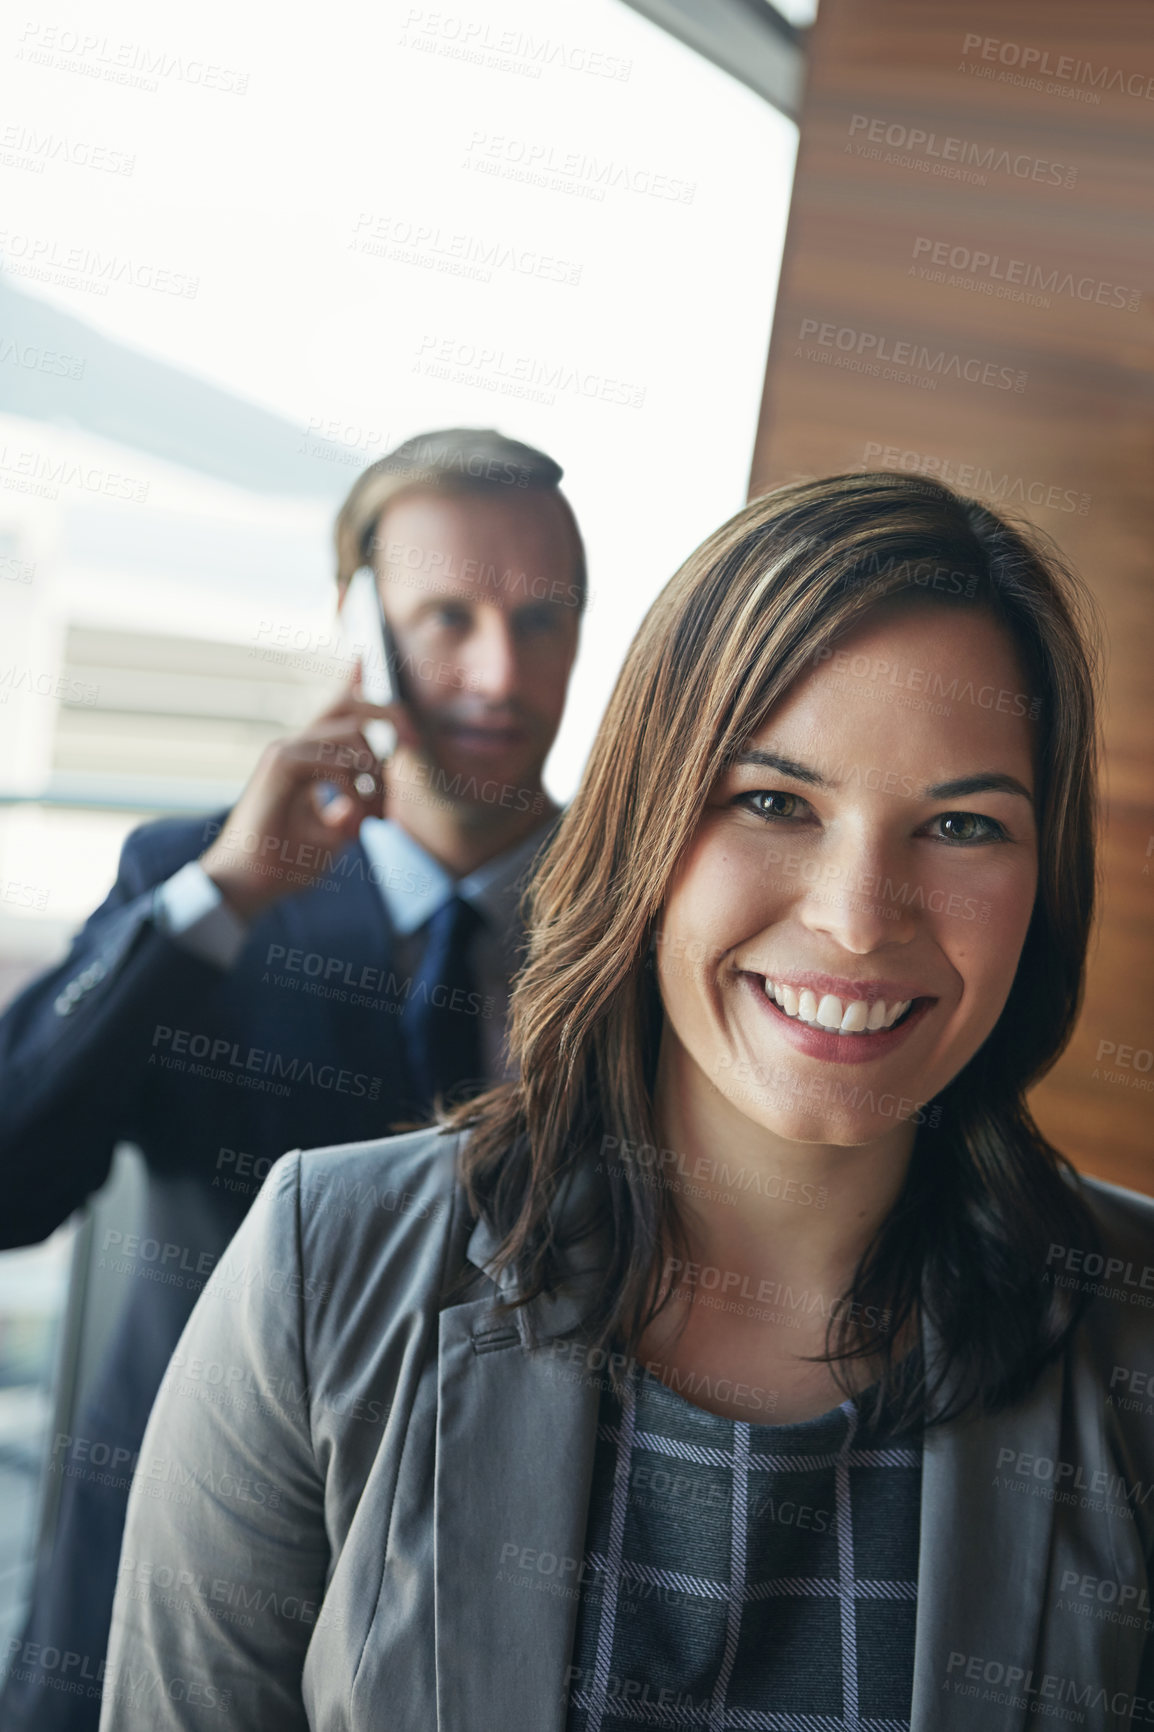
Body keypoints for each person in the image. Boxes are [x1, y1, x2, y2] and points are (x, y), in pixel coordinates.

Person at [99, 471, 1153, 1731]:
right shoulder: (322, 1265)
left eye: (963, 825)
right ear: (643, 826)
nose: (859, 917)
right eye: (774, 802)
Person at [0, 427, 587, 1730]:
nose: (499, 673)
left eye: (542, 620)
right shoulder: (194, 883)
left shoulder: (636, 927)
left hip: (474, 1621)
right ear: (356, 621)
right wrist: (220, 900)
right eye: (445, 618)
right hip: (149, 1585)